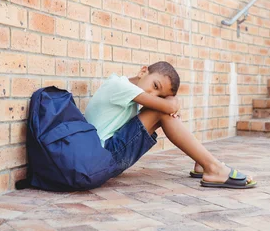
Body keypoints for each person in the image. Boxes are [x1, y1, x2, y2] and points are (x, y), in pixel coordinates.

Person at [84, 61, 256, 188]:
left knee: (161, 111)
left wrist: (167, 104)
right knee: (161, 111)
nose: (152, 94)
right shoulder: (120, 86)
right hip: (103, 156)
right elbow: (170, 107)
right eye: (155, 85)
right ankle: (213, 167)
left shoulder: (125, 89)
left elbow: (168, 107)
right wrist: (169, 102)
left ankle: (204, 163)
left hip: (105, 157)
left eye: (159, 95)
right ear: (143, 71)